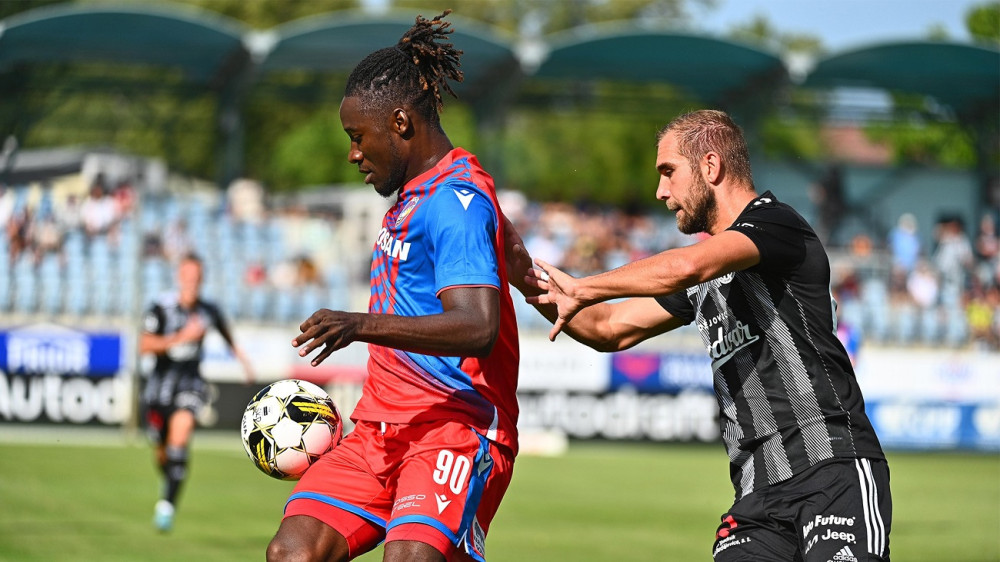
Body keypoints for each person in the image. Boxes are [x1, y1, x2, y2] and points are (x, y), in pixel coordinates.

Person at [506, 110, 891, 561]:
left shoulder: (776, 224)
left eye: (668, 172)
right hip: (756, 498)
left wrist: (584, 286)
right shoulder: (704, 274)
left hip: (831, 472)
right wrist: (524, 276)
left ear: (710, 167)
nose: (660, 192)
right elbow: (609, 328)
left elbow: (686, 266)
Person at [267, 12, 519, 562]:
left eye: (358, 138)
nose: (353, 154)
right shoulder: (413, 192)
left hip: (456, 428)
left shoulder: (457, 202)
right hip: (379, 432)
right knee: (293, 553)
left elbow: (478, 326)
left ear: (401, 123)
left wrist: (358, 325)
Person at [139, 252, 254, 532]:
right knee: (162, 453)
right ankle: (171, 480)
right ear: (179, 277)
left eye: (197, 277)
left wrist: (245, 364)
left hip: (190, 383)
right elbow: (144, 344)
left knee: (182, 430)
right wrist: (181, 337)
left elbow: (229, 337)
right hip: (159, 387)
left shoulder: (208, 310)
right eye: (188, 276)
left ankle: (166, 507)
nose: (193, 282)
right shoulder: (160, 308)